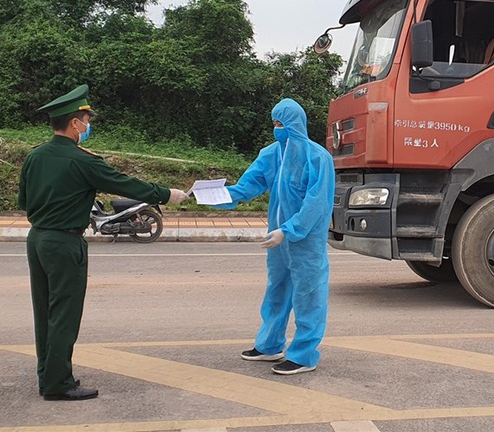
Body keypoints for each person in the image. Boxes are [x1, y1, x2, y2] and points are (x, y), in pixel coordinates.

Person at [18, 84, 189, 401]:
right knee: (64, 315)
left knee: (44, 312)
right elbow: (124, 184)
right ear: (74, 123)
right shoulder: (83, 161)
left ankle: (49, 375)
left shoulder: (34, 156)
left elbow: (24, 201)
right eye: (86, 119)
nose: (88, 125)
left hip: (37, 240)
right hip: (65, 244)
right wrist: (168, 194)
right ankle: (58, 384)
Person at [216, 98, 334, 375]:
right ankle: (269, 345)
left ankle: (304, 355)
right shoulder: (271, 154)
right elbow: (248, 185)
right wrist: (212, 196)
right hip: (278, 238)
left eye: (281, 123)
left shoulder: (317, 157)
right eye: (274, 123)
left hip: (304, 239)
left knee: (309, 293)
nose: (277, 128)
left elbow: (316, 203)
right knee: (277, 289)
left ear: (295, 123)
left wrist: (289, 230)